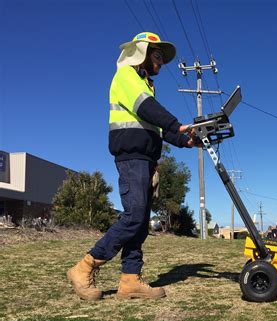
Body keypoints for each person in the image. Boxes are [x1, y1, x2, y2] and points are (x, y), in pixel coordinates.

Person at [67, 32, 199, 301]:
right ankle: (84, 267)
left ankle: (130, 280)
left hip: (147, 160)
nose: (161, 62)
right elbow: (148, 109)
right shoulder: (126, 77)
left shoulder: (146, 85)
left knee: (140, 225)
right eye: (158, 55)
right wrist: (176, 124)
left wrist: (187, 139)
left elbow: (159, 127)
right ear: (142, 53)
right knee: (134, 216)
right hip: (132, 158)